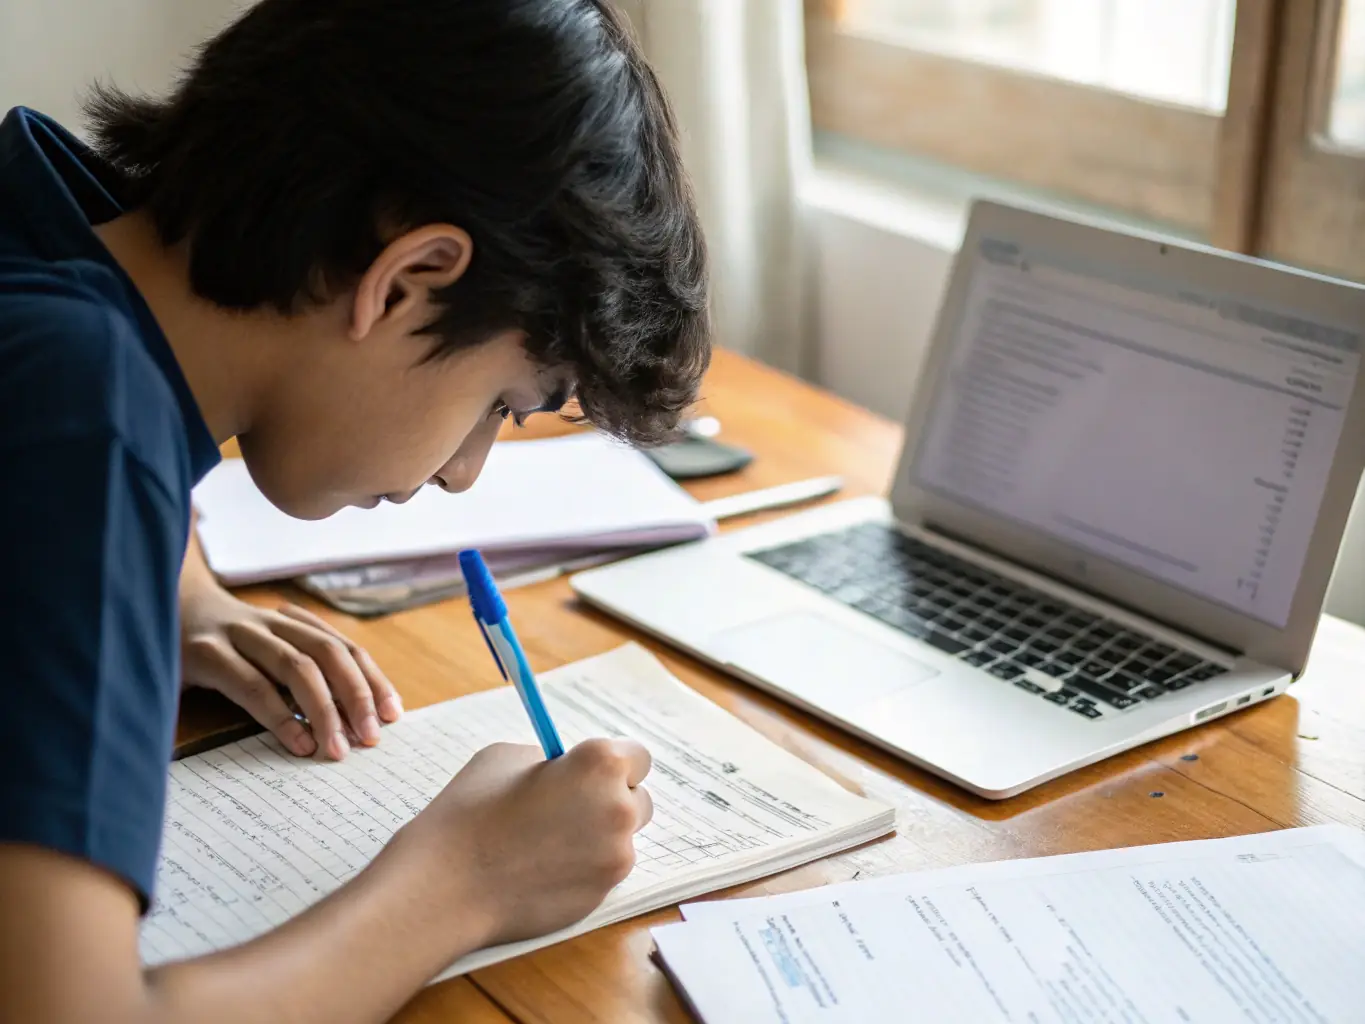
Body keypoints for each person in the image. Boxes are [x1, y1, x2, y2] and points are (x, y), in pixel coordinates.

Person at [0, 0, 709, 1020]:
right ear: (410, 279)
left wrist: (173, 587)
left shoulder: (50, 223)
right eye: (500, 407)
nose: (464, 474)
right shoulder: (81, 417)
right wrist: (465, 882)